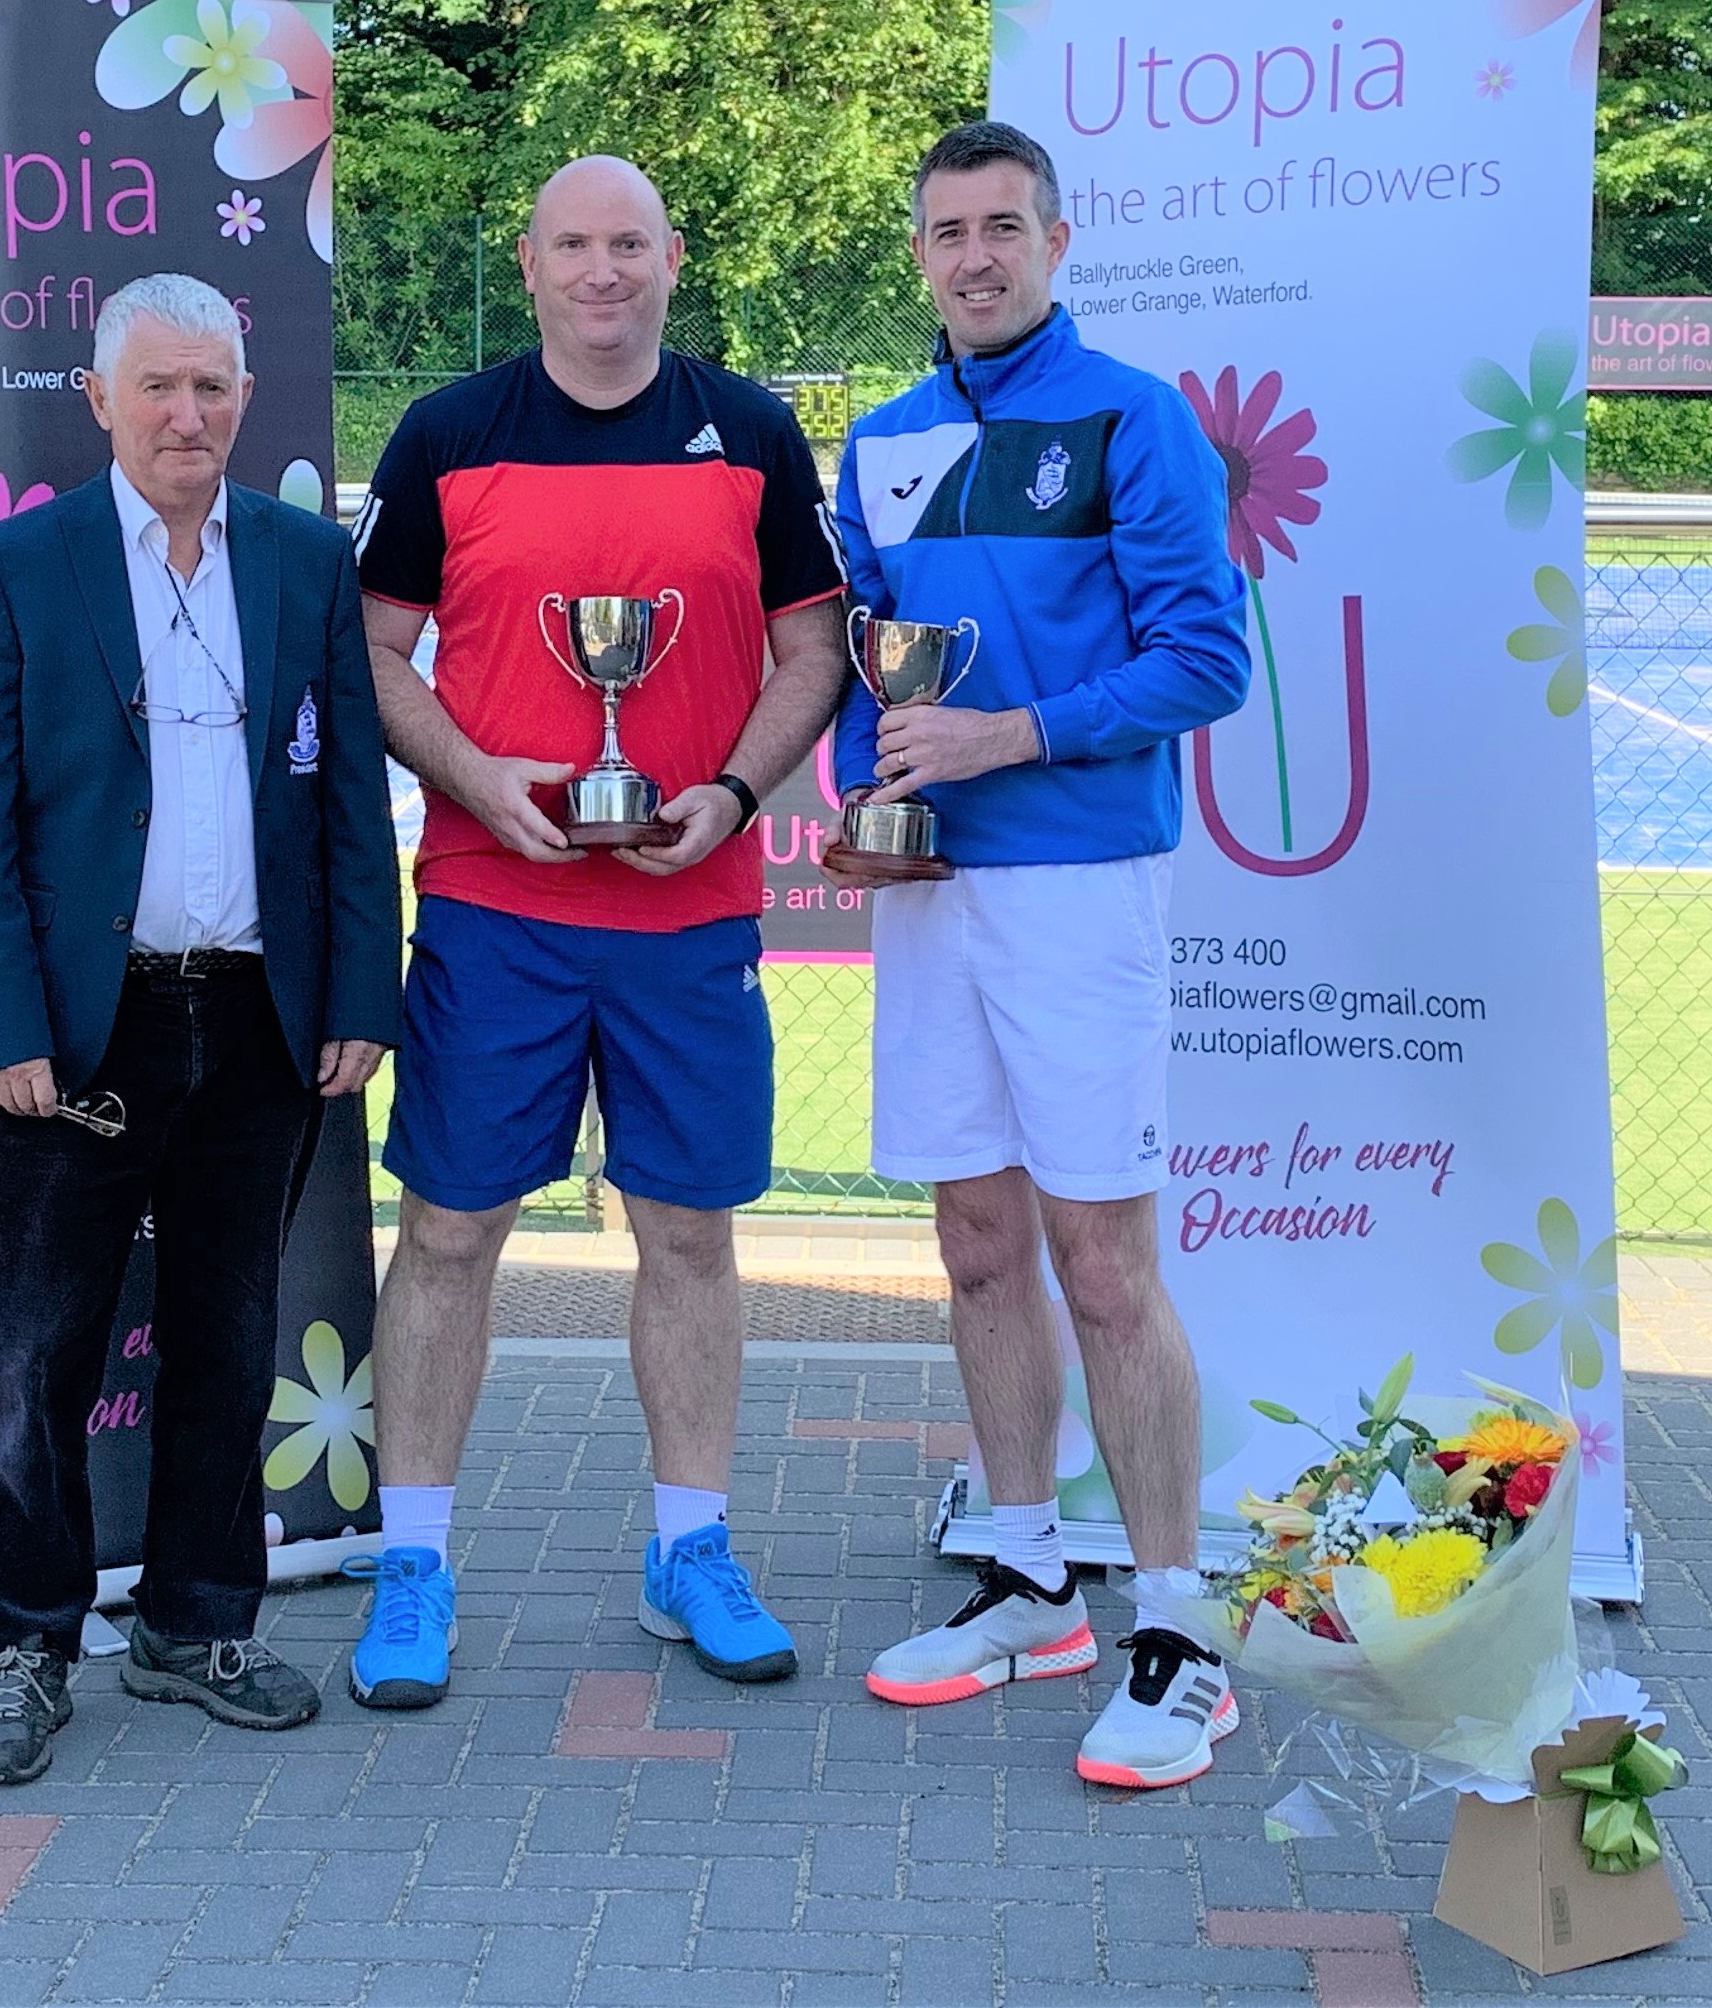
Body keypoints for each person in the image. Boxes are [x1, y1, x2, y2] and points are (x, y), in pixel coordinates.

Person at [348, 156, 848, 1706]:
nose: (602, 270)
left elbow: (814, 648)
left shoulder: (748, 430)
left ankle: (689, 1547)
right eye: (573, 243)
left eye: (628, 242)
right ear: (529, 262)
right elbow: (373, 647)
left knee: (687, 1231)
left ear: (671, 257)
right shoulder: (446, 432)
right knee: (447, 1232)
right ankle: (412, 1562)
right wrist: (474, 777)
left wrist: (734, 788)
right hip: (493, 902)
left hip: (687, 908)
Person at [0, 272, 401, 1785]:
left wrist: (358, 994)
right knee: (35, 1355)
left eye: (211, 387)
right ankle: (23, 1645)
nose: (186, 415)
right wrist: (6, 1020)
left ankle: (197, 1624)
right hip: (75, 1035)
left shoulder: (307, 561)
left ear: (245, 398)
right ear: (100, 400)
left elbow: (348, 799)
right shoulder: (16, 566)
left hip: (258, 1022)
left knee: (228, 1338)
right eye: (157, 387)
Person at [832, 122, 1251, 1789]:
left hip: (1079, 885)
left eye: (1003, 227)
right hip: (934, 892)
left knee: (1103, 1264)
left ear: (1055, 244)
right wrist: (871, 795)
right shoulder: (881, 437)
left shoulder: (1136, 419)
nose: (976, 257)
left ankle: (1178, 1632)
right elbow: (866, 660)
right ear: (919, 255)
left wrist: (1006, 736)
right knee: (976, 1247)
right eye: (948, 232)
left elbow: (1205, 661)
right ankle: (1028, 1581)